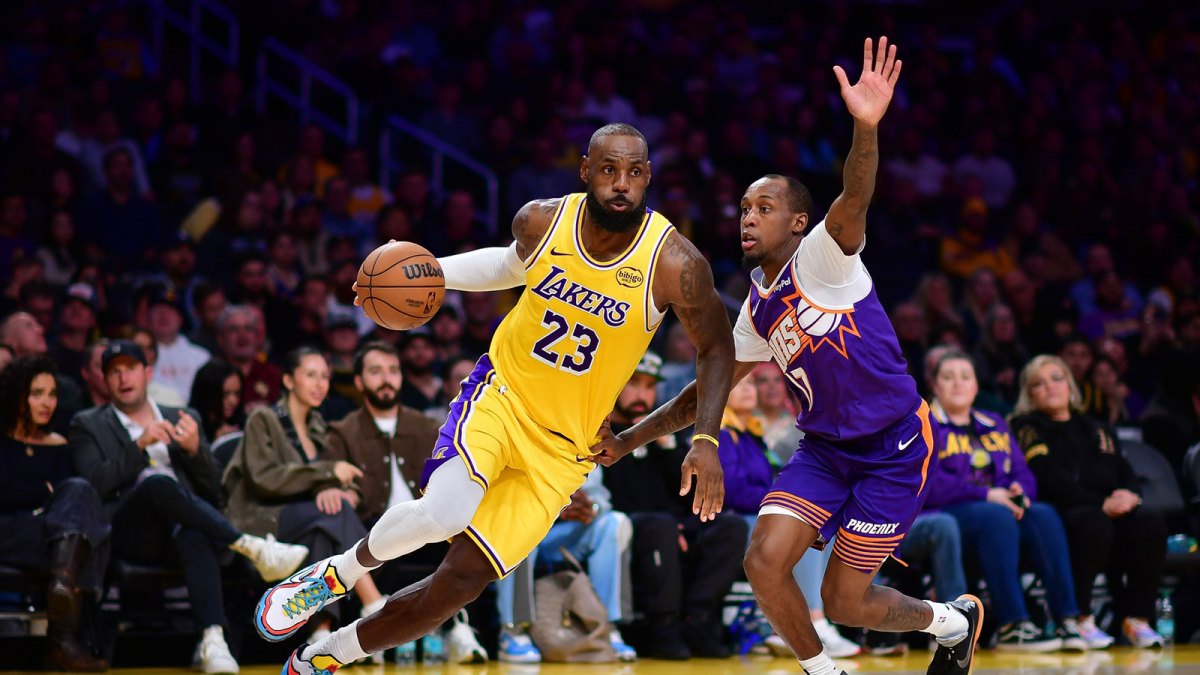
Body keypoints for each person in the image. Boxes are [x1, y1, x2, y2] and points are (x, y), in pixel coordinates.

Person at [256, 122, 735, 674]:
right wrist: (431, 273)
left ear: (648, 176)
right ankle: (335, 573)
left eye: (633, 172)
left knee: (455, 587)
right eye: (608, 170)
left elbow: (718, 352)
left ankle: (326, 655)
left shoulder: (675, 264)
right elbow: (506, 267)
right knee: (445, 511)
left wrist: (704, 438)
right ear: (585, 171)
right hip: (502, 396)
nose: (620, 184)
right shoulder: (543, 220)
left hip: (564, 449)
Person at [592, 38, 983, 675]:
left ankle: (948, 621)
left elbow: (855, 195)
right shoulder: (755, 307)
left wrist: (865, 126)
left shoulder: (826, 258)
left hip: (893, 448)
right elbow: (703, 394)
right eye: (744, 208)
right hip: (826, 449)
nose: (747, 217)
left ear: (799, 222)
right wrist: (631, 437)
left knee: (844, 601)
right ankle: (822, 671)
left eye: (764, 208)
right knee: (763, 561)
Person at [70, 340, 310, 674]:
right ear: (105, 379)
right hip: (130, 535)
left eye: (130, 369)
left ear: (148, 373)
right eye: (114, 372)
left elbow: (213, 490)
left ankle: (213, 640)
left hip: (184, 531)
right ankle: (248, 545)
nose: (123, 378)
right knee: (158, 482)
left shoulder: (182, 417)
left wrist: (196, 450)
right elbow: (92, 485)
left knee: (192, 531)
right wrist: (139, 446)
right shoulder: (88, 423)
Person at [222, 348, 386, 653]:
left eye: (325, 376)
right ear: (287, 380)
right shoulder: (264, 418)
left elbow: (337, 478)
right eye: (310, 375)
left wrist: (346, 491)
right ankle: (373, 602)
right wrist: (327, 475)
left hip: (308, 520)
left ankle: (319, 633)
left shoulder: (319, 427)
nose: (320, 384)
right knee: (332, 517)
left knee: (325, 526)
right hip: (262, 519)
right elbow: (264, 478)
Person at [923, 350, 1090, 651]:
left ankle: (1067, 618)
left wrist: (1019, 491)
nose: (958, 384)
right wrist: (987, 494)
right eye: (948, 378)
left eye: (965, 377)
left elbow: (1024, 472)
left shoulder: (996, 423)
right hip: (945, 513)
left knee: (1043, 515)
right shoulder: (924, 424)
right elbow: (927, 483)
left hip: (997, 508)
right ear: (934, 386)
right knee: (995, 517)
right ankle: (1013, 623)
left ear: (976, 386)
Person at [1009, 355, 1168, 649]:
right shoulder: (1026, 426)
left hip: (1106, 508)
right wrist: (1101, 503)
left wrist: (1131, 495)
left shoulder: (1098, 429)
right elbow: (1048, 478)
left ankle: (1138, 619)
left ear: (1070, 385)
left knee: (1149, 522)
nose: (1051, 387)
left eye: (1057, 378)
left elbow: (1124, 470)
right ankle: (1081, 618)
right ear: (1029, 394)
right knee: (1091, 522)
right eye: (1038, 384)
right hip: (1060, 511)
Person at [600, 353, 747, 660]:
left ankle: (697, 619)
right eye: (634, 385)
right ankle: (662, 626)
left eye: (650, 387)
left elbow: (687, 495)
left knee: (731, 527)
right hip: (632, 525)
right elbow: (613, 500)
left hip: (671, 523)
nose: (643, 395)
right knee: (660, 527)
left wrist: (666, 446)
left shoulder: (663, 437)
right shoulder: (602, 434)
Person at [717, 376, 861, 659]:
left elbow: (773, 479)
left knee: (832, 531)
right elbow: (731, 491)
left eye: (751, 384)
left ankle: (826, 619)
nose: (749, 389)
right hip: (732, 521)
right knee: (803, 529)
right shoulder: (721, 433)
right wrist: (782, 502)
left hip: (757, 515)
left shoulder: (750, 432)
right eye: (739, 384)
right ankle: (815, 622)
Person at [0, 356, 109, 671]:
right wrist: (42, 498)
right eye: (37, 394)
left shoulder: (59, 444)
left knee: (78, 490)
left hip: (47, 537)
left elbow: (72, 499)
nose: (47, 402)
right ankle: (61, 641)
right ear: (16, 395)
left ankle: (63, 578)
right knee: (81, 537)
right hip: (10, 533)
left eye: (52, 394)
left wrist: (46, 500)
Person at [188, 359, 245, 444]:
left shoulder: (244, 424)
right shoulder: (189, 429)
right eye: (225, 394)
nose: (233, 401)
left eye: (237, 394)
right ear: (207, 394)